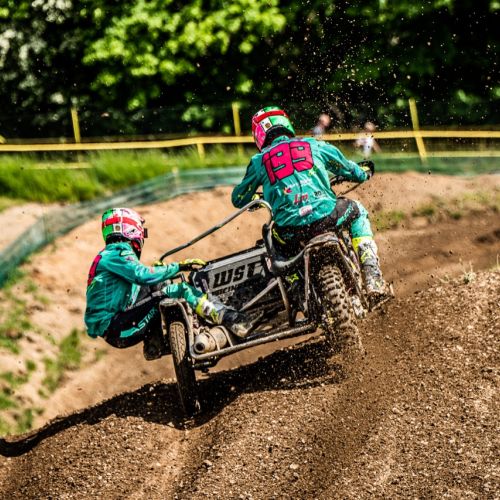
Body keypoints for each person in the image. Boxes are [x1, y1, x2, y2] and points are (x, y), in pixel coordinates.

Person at [231, 106, 391, 310]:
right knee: (358, 211)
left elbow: (238, 198)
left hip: (289, 231)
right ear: (286, 124)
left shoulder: (258, 161)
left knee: (271, 242)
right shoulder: (313, 144)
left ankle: (297, 290)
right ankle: (372, 274)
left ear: (259, 135)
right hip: (327, 216)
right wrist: (363, 172)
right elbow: (347, 168)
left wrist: (255, 197)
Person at [85, 207, 252, 360]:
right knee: (179, 289)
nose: (142, 236)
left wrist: (160, 274)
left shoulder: (109, 255)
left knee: (160, 285)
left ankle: (155, 342)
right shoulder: (117, 251)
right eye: (142, 231)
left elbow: (141, 281)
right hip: (117, 329)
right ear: (131, 229)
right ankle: (225, 316)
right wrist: (179, 266)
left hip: (115, 326)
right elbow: (142, 276)